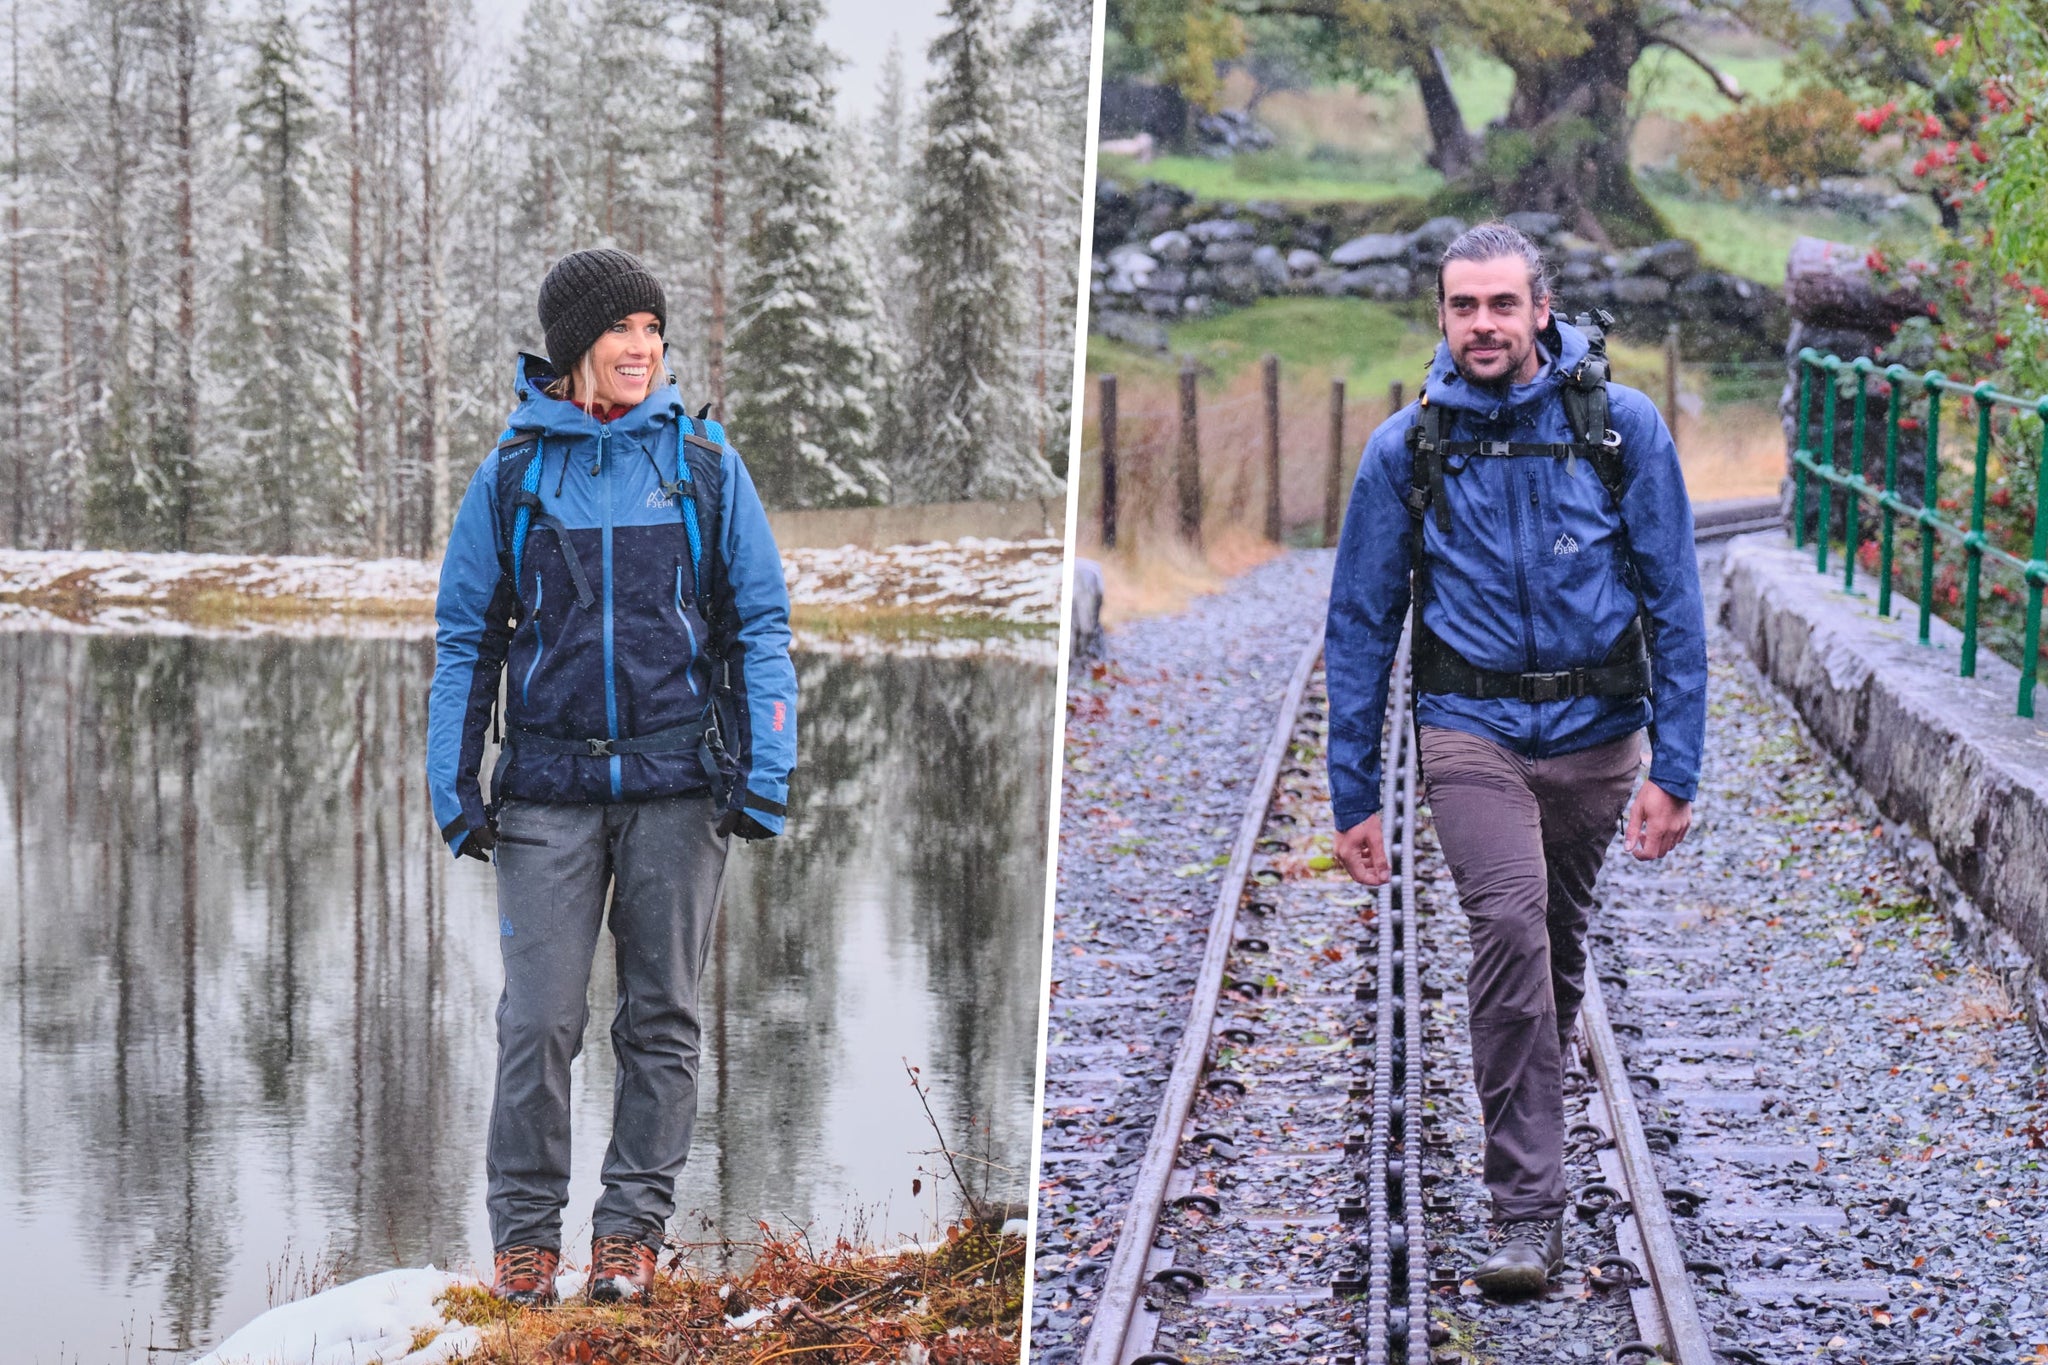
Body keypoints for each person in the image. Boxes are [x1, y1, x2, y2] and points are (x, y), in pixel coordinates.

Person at [1323, 222, 1706, 1296]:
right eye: (1461, 307)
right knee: (1504, 932)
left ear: (1540, 310)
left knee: (1553, 951)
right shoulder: (1408, 448)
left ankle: (1535, 1104)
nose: (1480, 325)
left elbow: (1674, 604)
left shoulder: (1618, 429)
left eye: (1500, 305)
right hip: (1468, 731)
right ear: (1440, 317)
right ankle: (1525, 1215)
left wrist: (1675, 767)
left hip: (1596, 742)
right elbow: (1358, 625)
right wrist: (1354, 792)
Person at [427, 247, 797, 1306]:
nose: (641, 350)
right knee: (537, 1020)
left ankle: (629, 1235)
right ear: (572, 344)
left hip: (680, 787)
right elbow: (467, 639)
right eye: (620, 329)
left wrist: (763, 766)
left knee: (661, 1020)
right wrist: (455, 786)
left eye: (653, 331)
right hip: (546, 791)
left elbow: (759, 624)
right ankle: (528, 1238)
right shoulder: (512, 475)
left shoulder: (703, 465)